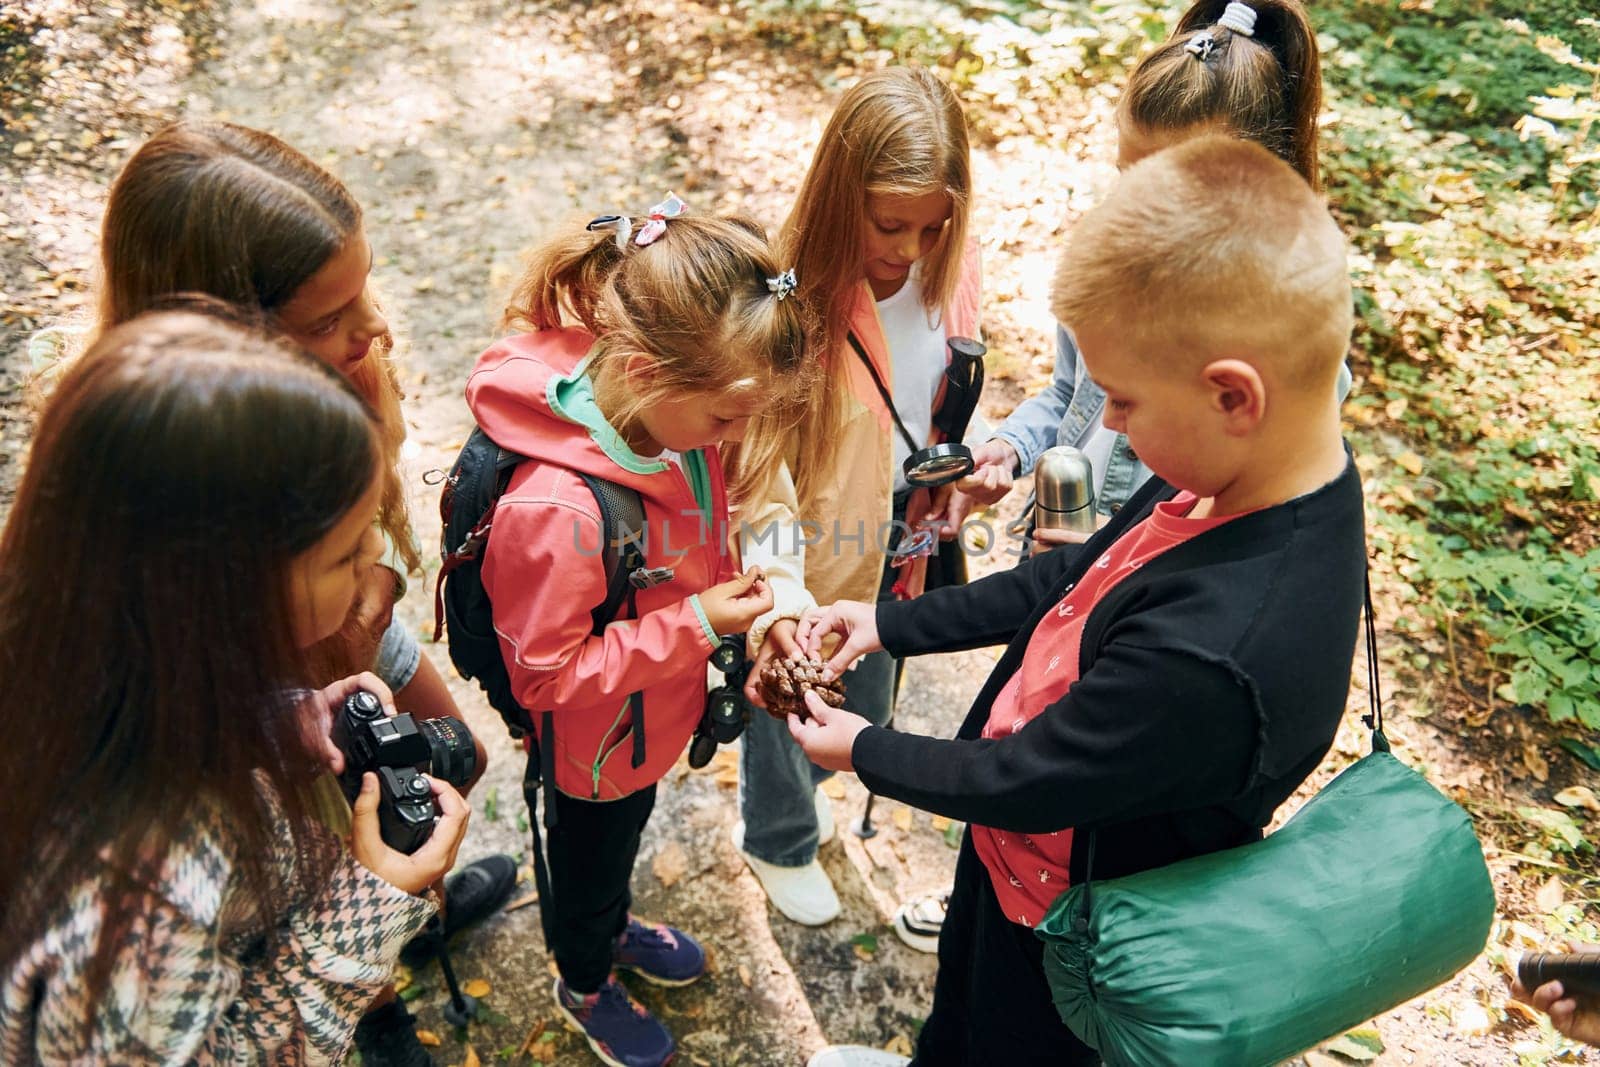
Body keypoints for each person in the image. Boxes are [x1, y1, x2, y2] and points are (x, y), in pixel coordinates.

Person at [791, 136, 1368, 1066]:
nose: (1109, 428)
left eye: (1126, 403)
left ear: (1233, 394)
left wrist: (865, 748)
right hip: (1015, 865)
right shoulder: (1231, 475)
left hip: (1075, 927)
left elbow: (1032, 775)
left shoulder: (1216, 653)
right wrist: (886, 621)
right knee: (958, 1016)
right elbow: (1073, 575)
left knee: (1008, 1041)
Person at [895, 0, 1347, 953]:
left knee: (1060, 779)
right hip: (1075, 558)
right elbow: (1071, 399)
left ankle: (1022, 898)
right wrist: (1014, 451)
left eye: (1172, 185)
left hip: (1128, 586)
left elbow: (1056, 765)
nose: (1140, 208)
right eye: (1127, 176)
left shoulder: (1275, 360)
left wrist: (868, 750)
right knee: (1024, 728)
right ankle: (993, 876)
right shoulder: (1123, 277)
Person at [76, 120, 516, 1064]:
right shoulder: (159, 801)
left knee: (447, 770)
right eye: (329, 318)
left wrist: (370, 589)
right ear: (227, 339)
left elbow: (383, 522)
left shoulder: (346, 363)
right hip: (286, 669)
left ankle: (400, 913)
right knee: (321, 867)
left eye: (365, 290)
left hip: (334, 644)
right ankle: (375, 1000)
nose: (377, 330)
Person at [0, 311, 470, 1063]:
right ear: (230, 591)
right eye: (348, 553)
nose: (376, 554)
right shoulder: (144, 896)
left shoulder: (76, 644)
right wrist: (367, 904)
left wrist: (275, 722)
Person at [469, 199, 808, 1067]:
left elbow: (695, 525)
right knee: (585, 865)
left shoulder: (667, 427)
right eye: (729, 417)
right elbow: (545, 675)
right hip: (590, 749)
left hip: (645, 721)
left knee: (620, 847)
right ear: (648, 368)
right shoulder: (557, 511)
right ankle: (583, 976)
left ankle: (611, 923)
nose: (734, 438)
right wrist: (693, 624)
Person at [731, 65, 985, 927]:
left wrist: (960, 470)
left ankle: (814, 790)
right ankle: (778, 835)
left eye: (931, 225)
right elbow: (758, 475)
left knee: (868, 694)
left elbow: (937, 399)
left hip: (901, 546)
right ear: (843, 195)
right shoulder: (789, 305)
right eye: (888, 224)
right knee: (796, 695)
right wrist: (780, 604)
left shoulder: (953, 264)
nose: (910, 249)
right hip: (812, 558)